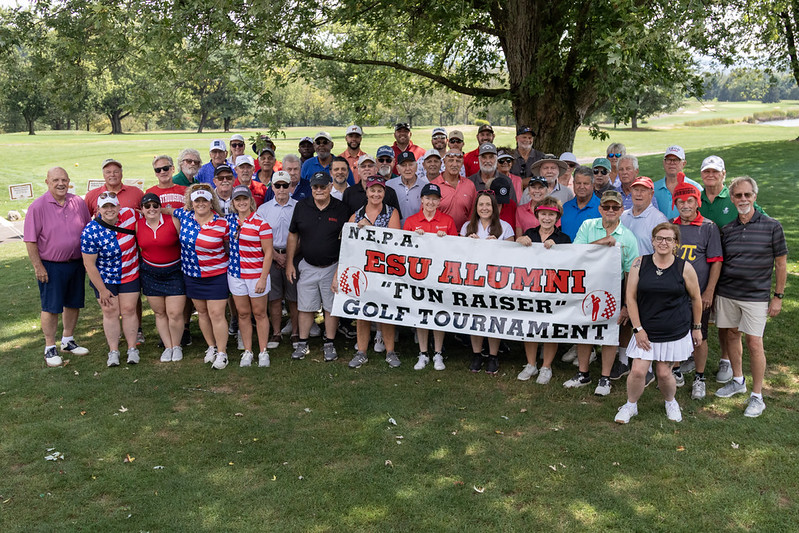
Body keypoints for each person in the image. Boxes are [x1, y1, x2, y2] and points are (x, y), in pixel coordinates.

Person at [614, 223, 704, 424]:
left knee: (664, 373)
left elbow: (696, 298)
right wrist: (638, 329)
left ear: (676, 243)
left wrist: (697, 328)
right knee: (638, 370)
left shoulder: (684, 268)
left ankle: (670, 402)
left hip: (674, 330)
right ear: (653, 241)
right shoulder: (639, 263)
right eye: (659, 238)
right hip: (646, 329)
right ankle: (630, 405)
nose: (663, 242)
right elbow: (631, 297)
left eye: (669, 239)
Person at [713, 177, 787, 418]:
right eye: (738, 195)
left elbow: (781, 264)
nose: (743, 199)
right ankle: (738, 380)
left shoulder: (772, 226)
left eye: (747, 195)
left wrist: (778, 296)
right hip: (728, 293)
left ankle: (757, 396)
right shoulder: (727, 230)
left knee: (754, 343)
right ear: (732, 199)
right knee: (732, 335)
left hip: (756, 297)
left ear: (755, 196)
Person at [697, 155, 766, 383]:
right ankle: (693, 353)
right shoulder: (697, 198)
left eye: (715, 171)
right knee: (702, 312)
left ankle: (725, 359)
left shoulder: (735, 196)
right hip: (702, 267)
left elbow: (762, 221)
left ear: (723, 174)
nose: (711, 175)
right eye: (707, 171)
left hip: (730, 268)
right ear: (702, 174)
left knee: (726, 322)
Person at [565, 190, 639, 396]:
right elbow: (575, 254)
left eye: (615, 207)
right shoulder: (588, 226)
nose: (610, 210)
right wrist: (602, 243)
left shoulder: (628, 237)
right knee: (584, 330)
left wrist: (627, 304)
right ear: (600, 208)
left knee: (609, 332)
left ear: (621, 210)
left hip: (613, 289)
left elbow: (630, 273)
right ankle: (583, 373)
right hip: (586, 286)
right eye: (606, 206)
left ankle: (605, 378)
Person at [24, 167, 91, 367]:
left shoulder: (78, 202)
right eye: (55, 180)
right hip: (51, 266)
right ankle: (50, 347)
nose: (60, 184)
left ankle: (68, 340)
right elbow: (30, 240)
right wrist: (38, 266)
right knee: (51, 307)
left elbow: (88, 229)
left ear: (69, 181)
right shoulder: (38, 207)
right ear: (47, 182)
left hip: (76, 263)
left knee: (73, 303)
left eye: (64, 180)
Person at [286, 171, 350, 362]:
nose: (319, 190)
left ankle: (329, 343)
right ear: (311, 188)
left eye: (323, 186)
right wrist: (289, 262)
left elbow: (349, 238)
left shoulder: (341, 208)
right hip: (308, 265)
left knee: (330, 308)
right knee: (305, 307)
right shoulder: (301, 207)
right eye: (316, 186)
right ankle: (303, 343)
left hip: (333, 266)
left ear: (330, 187)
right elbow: (293, 235)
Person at [672, 183, 723, 399]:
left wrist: (709, 290)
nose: (685, 205)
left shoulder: (708, 227)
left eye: (689, 201)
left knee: (699, 335)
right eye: (680, 201)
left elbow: (716, 261)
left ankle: (699, 377)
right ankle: (675, 370)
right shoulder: (670, 226)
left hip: (698, 295)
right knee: (674, 334)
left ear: (697, 203)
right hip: (674, 293)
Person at [345, 176, 402, 369]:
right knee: (363, 312)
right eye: (372, 190)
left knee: (385, 311)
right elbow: (348, 245)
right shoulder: (357, 215)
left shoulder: (391, 212)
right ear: (367, 192)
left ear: (384, 192)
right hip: (363, 270)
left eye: (379, 190)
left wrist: (371, 230)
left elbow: (394, 242)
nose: (376, 194)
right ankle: (361, 352)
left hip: (385, 269)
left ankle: (390, 351)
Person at [173, 184, 231, 370]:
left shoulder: (222, 223)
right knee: (203, 313)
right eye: (197, 201)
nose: (200, 204)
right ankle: (211, 347)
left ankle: (222, 352)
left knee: (216, 314)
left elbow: (229, 247)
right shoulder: (185, 216)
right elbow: (168, 211)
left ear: (211, 202)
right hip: (192, 275)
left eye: (204, 200)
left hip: (216, 275)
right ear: (191, 203)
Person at [80, 192, 140, 367]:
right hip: (105, 278)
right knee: (110, 312)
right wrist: (102, 290)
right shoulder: (90, 231)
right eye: (105, 206)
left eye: (112, 206)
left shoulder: (130, 215)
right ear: (98, 209)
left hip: (130, 273)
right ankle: (113, 351)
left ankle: (132, 348)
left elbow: (150, 214)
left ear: (119, 207)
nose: (109, 210)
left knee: (129, 310)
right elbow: (89, 264)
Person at [516, 196, 571, 384]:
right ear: (537, 215)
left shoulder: (563, 238)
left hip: (553, 291)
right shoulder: (529, 234)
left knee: (550, 328)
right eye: (543, 214)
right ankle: (531, 364)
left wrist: (559, 249)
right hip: (530, 288)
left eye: (551, 215)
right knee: (529, 326)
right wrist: (519, 241)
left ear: (557, 217)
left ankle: (546, 366)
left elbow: (570, 264)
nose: (547, 218)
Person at [460, 190, 515, 375]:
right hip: (473, 279)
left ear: (494, 207)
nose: (484, 208)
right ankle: (477, 354)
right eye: (481, 204)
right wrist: (467, 242)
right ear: (476, 207)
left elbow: (514, 257)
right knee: (475, 315)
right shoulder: (467, 227)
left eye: (488, 205)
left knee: (493, 316)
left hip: (496, 281)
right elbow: (458, 253)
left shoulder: (505, 227)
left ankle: (493, 355)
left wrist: (499, 246)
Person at [404, 183, 458, 370]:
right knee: (422, 312)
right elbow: (403, 250)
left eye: (435, 199)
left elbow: (455, 250)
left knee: (438, 312)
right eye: (428, 198)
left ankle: (438, 353)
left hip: (439, 275)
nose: (431, 202)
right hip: (418, 276)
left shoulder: (447, 221)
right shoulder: (411, 221)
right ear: (422, 199)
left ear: (439, 201)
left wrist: (445, 240)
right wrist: (415, 238)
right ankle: (423, 352)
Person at [227, 185, 273, 368]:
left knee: (260, 313)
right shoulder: (229, 222)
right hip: (236, 275)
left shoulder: (261, 224)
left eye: (244, 199)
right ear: (233, 203)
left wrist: (263, 278)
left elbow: (268, 253)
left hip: (256, 275)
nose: (241, 202)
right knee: (243, 314)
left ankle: (263, 351)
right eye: (237, 199)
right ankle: (248, 351)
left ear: (250, 201)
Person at [136, 193, 186, 363]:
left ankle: (176, 345)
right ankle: (168, 346)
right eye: (147, 206)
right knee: (159, 313)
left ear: (160, 207)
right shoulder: (138, 225)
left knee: (175, 313)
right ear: (142, 209)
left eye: (155, 205)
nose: (151, 209)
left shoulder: (173, 221)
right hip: (151, 274)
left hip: (174, 272)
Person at [256, 171, 300, 350]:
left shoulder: (299, 207)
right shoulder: (263, 209)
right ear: (272, 187)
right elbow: (259, 236)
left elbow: (302, 235)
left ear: (291, 187)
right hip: (271, 256)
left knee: (293, 297)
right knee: (274, 298)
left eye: (285, 185)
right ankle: (276, 332)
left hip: (293, 256)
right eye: (278, 185)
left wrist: (289, 257)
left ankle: (296, 332)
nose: (281, 189)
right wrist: (275, 255)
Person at [620, 177, 668, 256]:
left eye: (643, 190)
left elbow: (664, 253)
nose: (638, 194)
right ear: (631, 191)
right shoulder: (622, 216)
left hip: (646, 263)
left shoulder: (659, 220)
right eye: (636, 190)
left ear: (651, 194)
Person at [653, 145, 703, 220]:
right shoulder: (653, 188)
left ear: (684, 163)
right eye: (669, 159)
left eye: (676, 160)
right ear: (664, 162)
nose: (672, 163)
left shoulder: (695, 188)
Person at [431, 150, 477, 229]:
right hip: (439, 233)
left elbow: (473, 213)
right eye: (451, 160)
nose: (455, 164)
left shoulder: (470, 185)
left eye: (458, 161)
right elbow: (426, 213)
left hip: (463, 233)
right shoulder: (433, 185)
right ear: (444, 162)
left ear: (462, 163)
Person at [387, 152, 428, 228]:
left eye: (411, 165)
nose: (407, 169)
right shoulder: (389, 185)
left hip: (418, 231)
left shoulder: (425, 187)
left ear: (416, 167)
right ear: (398, 169)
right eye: (403, 165)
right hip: (394, 230)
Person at [560, 166, 600, 241]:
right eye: (578, 183)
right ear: (573, 183)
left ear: (593, 185)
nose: (581, 187)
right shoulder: (565, 207)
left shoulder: (602, 208)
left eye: (586, 183)